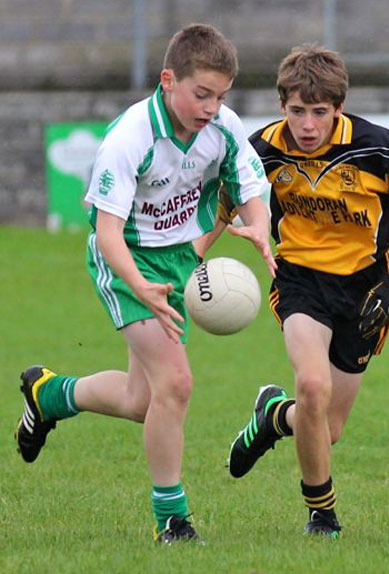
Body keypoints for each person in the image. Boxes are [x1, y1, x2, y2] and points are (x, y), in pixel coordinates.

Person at [15, 23, 275, 545]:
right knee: (175, 386)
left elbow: (250, 188)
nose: (211, 107)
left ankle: (50, 394)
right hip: (125, 260)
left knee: (143, 399)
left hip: (179, 259)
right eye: (201, 94)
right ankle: (172, 520)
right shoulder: (130, 137)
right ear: (168, 80)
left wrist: (259, 230)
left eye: (220, 96)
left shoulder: (222, 126)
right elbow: (107, 233)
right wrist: (142, 288)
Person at [226, 44, 389, 538]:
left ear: (337, 109)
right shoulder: (261, 149)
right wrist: (191, 261)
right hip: (300, 281)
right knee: (313, 387)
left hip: (365, 290)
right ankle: (322, 515)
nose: (306, 124)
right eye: (297, 111)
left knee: (327, 428)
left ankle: (272, 417)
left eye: (318, 112)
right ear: (283, 106)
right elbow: (221, 205)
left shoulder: (377, 147)